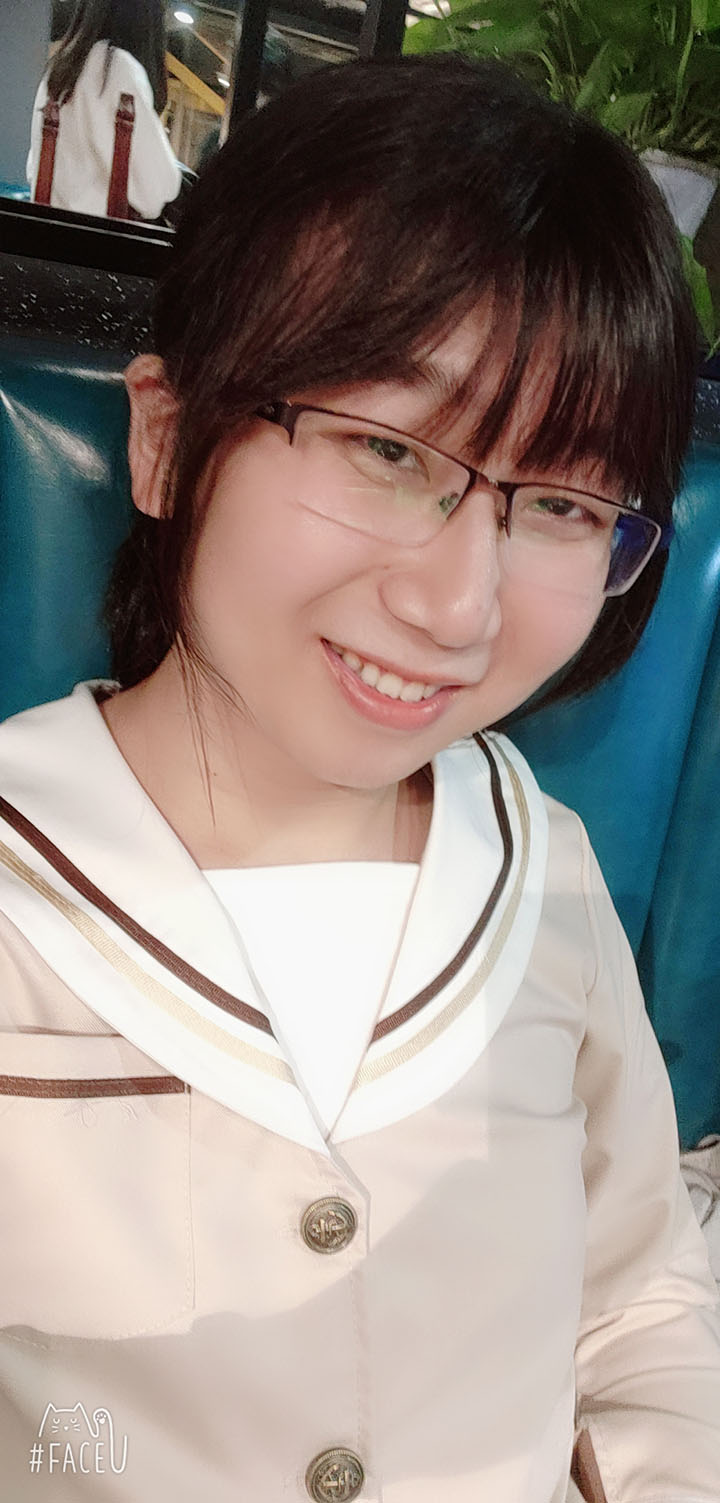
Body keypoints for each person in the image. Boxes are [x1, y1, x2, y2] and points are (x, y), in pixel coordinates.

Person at [1, 52, 719, 1503]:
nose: (459, 605)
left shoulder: (544, 869)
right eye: (388, 448)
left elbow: (639, 1290)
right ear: (166, 437)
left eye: (561, 504)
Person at [26, 0, 181, 221]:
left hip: (45, 236)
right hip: (100, 239)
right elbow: (157, 191)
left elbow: (33, 172)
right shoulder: (119, 69)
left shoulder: (57, 71)